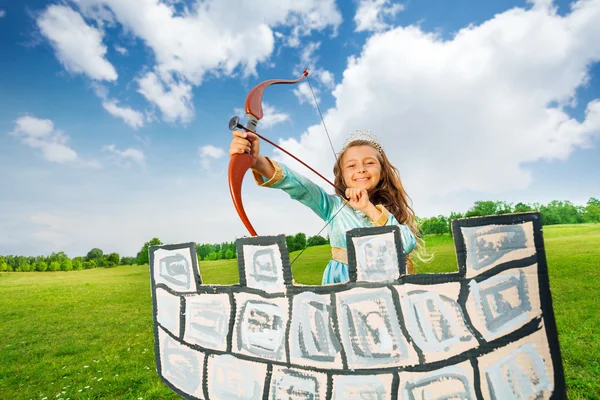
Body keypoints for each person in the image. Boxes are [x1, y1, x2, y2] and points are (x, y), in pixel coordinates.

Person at [229, 128, 422, 284]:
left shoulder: (386, 211)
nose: (361, 169)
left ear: (382, 171)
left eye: (369, 163)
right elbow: (301, 186)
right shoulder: (332, 206)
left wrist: (368, 209)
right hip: (340, 285)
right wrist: (256, 161)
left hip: (382, 288)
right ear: (342, 175)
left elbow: (405, 243)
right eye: (351, 165)